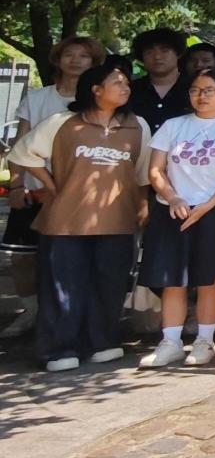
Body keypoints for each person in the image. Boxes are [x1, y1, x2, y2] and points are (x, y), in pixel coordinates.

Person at [8, 62, 151, 371]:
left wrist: (143, 205)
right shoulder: (62, 122)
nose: (125, 87)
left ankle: (102, 342)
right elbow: (22, 154)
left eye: (127, 83)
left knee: (110, 284)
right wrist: (51, 186)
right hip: (65, 221)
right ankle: (59, 349)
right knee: (63, 286)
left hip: (118, 219)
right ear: (96, 90)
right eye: (117, 82)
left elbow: (142, 172)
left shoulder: (138, 125)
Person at [5, 35, 105, 338]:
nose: (75, 60)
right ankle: (31, 311)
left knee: (73, 258)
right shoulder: (37, 98)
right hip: (35, 190)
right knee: (23, 256)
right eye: (69, 54)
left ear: (93, 63)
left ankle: (72, 316)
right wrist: (16, 184)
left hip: (81, 195)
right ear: (58, 60)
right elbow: (19, 145)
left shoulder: (98, 102)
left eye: (83, 56)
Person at [128, 27, 192, 130]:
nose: (157, 57)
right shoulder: (130, 91)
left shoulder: (194, 88)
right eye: (149, 52)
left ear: (178, 53)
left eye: (164, 51)